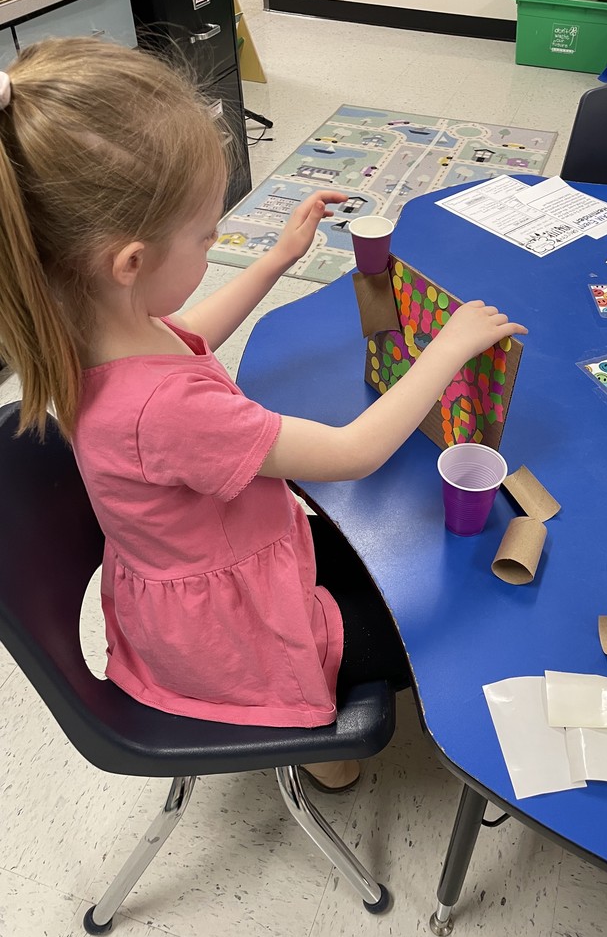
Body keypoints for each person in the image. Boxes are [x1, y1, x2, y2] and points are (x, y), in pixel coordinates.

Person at [0, 38, 527, 791]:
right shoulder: (167, 411)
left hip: (196, 576)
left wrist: (277, 257)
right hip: (234, 631)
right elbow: (353, 453)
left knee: (383, 551)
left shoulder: (88, 328)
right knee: (430, 614)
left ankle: (319, 731)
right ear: (130, 263)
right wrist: (448, 346)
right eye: (208, 236)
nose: (216, 248)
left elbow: (191, 333)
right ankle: (319, 744)